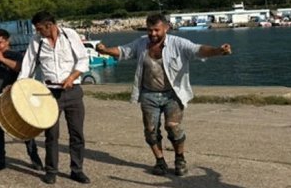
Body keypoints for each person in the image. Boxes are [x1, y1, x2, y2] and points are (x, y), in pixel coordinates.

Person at [95, 13, 232, 177]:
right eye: (149, 30)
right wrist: (105, 50)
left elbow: (198, 50)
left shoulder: (178, 43)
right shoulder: (141, 43)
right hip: (148, 94)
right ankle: (160, 161)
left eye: (156, 30)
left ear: (166, 28)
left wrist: (217, 51)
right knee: (150, 130)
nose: (153, 34)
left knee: (173, 127)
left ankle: (180, 159)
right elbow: (123, 51)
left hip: (173, 94)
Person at [17, 11, 91, 185]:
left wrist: (72, 77)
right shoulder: (36, 41)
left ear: (49, 25)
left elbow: (83, 59)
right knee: (51, 135)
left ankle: (77, 169)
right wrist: (21, 88)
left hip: (73, 91)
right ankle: (51, 171)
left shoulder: (70, 35)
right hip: (49, 93)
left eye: (40, 28)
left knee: (77, 133)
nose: (38, 32)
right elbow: (28, 66)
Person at [0, 28, 43, 172]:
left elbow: (22, 69)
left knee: (23, 129)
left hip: (14, 98)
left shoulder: (15, 55)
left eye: (0, 43)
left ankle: (35, 158)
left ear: (7, 41)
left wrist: (2, 58)